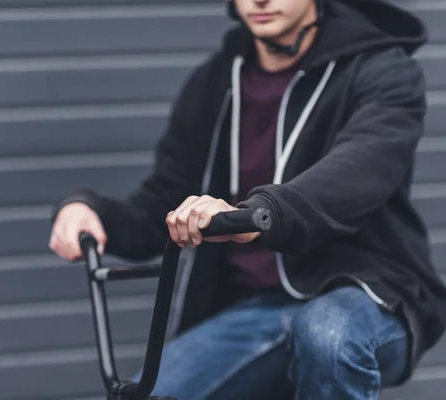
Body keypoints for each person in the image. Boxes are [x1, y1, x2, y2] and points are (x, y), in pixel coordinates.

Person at [49, 0, 446, 398]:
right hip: (253, 310)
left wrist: (258, 217)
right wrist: (90, 210)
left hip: (365, 294)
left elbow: (358, 173)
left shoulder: (382, 69)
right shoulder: (217, 80)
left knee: (327, 336)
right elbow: (163, 208)